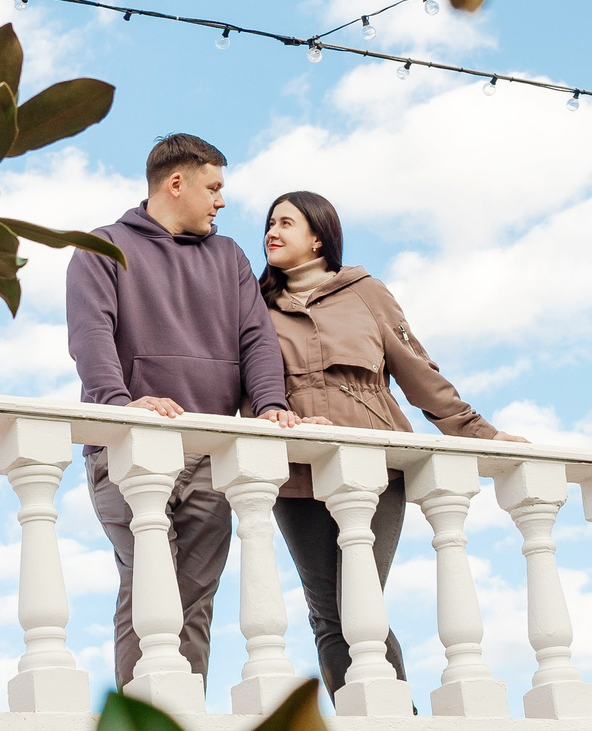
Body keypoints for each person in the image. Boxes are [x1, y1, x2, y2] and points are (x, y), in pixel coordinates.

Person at [259, 190, 522, 698]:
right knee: (327, 611)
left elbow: (417, 372)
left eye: (286, 222)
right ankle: (363, 726)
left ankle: (398, 722)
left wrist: (480, 433)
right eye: (270, 223)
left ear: (318, 236)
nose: (272, 231)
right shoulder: (256, 305)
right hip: (294, 470)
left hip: (374, 463)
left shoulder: (366, 292)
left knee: (361, 601)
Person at [66, 134, 302, 688]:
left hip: (208, 453)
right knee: (149, 586)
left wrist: (270, 404)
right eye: (214, 188)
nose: (221, 202)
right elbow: (90, 336)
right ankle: (143, 729)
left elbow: (256, 340)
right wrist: (122, 407)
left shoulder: (228, 257)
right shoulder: (101, 248)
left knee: (195, 600)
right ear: (178, 183)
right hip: (127, 449)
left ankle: (185, 725)